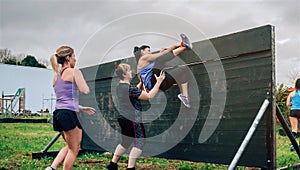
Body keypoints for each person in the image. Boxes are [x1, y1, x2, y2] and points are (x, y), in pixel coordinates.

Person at [106, 63, 165, 170]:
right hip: (132, 120)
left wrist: (141, 82)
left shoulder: (120, 87)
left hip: (123, 119)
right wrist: (159, 82)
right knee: (140, 143)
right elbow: (149, 96)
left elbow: (133, 91)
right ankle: (130, 168)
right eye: (129, 71)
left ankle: (112, 164)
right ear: (124, 74)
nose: (131, 72)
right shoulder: (130, 89)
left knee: (126, 142)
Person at [45, 46, 96, 170]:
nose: (75, 60)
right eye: (74, 57)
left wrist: (82, 108)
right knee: (74, 149)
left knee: (70, 146)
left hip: (58, 114)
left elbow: (64, 100)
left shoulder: (56, 77)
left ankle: (51, 168)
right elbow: (85, 90)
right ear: (68, 58)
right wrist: (82, 80)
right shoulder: (74, 72)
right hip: (68, 114)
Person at [134, 33, 192, 108]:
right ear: (142, 52)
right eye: (148, 51)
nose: (150, 52)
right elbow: (162, 55)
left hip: (161, 85)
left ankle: (185, 97)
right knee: (159, 60)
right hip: (153, 84)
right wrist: (178, 47)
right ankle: (185, 47)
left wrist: (177, 46)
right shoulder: (143, 59)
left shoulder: (148, 61)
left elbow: (165, 53)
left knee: (183, 69)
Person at [287, 78, 300, 151]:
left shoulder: (291, 93)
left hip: (293, 111)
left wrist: (293, 103)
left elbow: (288, 104)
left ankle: (293, 146)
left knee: (294, 129)